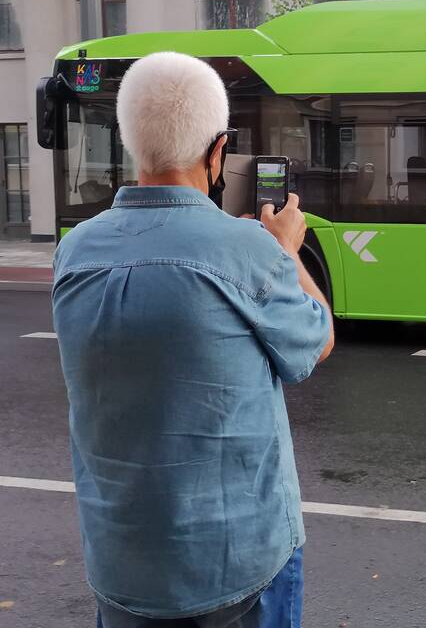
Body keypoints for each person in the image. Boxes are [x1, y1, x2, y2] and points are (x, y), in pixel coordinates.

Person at [52, 51, 334, 627]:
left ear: (132, 144)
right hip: (238, 565)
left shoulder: (74, 251)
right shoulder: (245, 250)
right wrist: (284, 251)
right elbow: (317, 339)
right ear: (218, 149)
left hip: (121, 562)